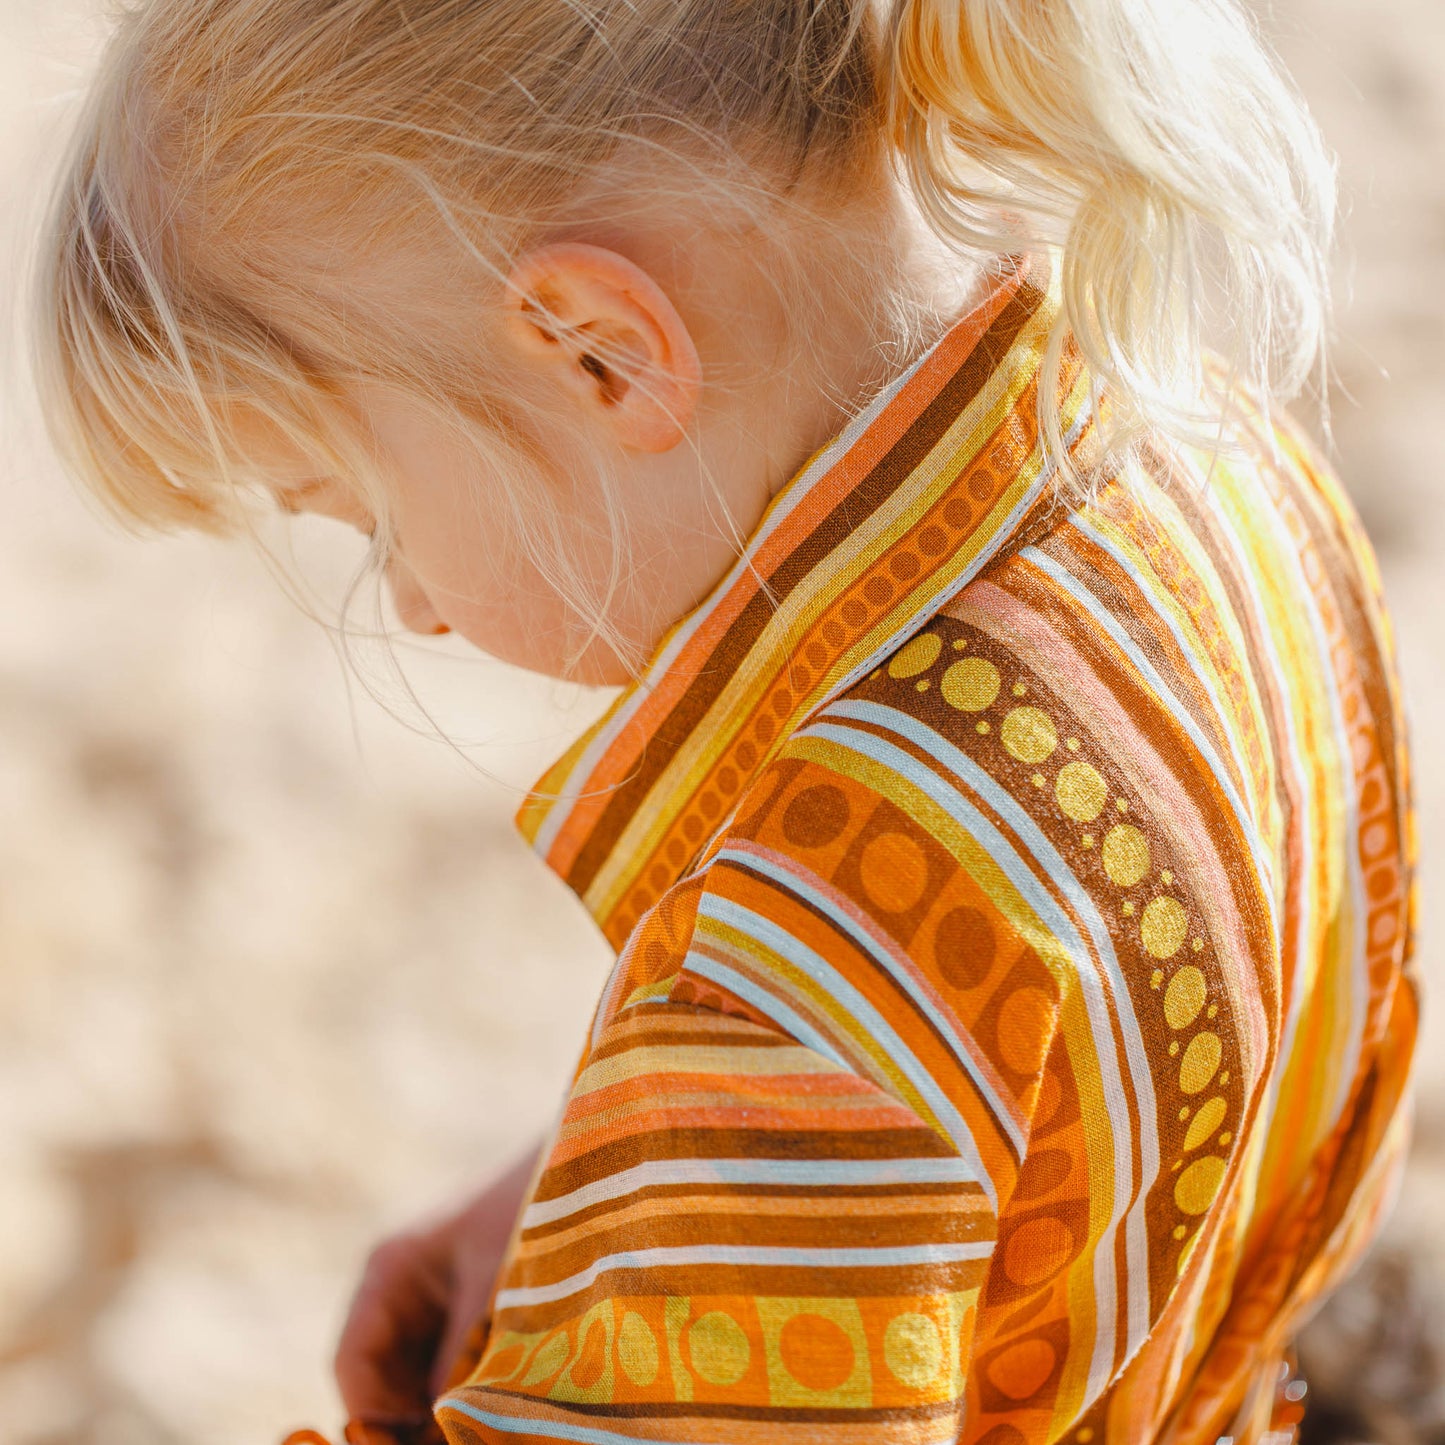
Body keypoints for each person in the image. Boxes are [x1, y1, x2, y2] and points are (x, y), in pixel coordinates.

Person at [31, 0, 1418, 1442]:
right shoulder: (1204, 444)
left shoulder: (807, 957)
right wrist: (649, 1199)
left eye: (367, 511)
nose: (411, 607)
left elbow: (856, 1031)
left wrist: (714, 1131)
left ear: (598, 353)